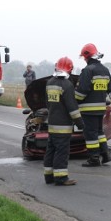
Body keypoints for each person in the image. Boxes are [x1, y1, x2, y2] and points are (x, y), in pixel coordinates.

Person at [43, 57, 84, 186]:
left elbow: (47, 104)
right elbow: (72, 108)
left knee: (51, 150)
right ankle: (61, 178)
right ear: (70, 69)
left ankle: (48, 176)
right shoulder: (67, 85)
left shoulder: (49, 82)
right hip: (63, 126)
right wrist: (80, 124)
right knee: (62, 151)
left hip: (52, 124)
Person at [75, 43, 111, 167]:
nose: (84, 60)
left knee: (90, 134)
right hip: (100, 108)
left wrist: (73, 99)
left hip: (88, 109)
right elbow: (109, 88)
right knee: (99, 132)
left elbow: (82, 91)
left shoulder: (87, 70)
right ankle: (105, 154)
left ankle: (94, 158)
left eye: (84, 57)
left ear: (87, 56)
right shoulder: (105, 70)